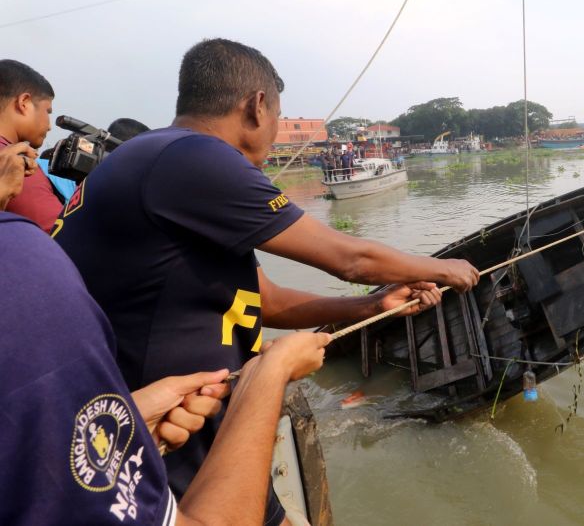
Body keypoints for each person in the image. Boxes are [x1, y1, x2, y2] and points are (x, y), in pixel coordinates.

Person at [55, 38, 479, 525]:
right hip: (162, 446)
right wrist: (444, 268)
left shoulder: (164, 164)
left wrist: (368, 307)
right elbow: (351, 258)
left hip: (195, 433)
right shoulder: (194, 158)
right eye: (279, 118)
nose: (276, 135)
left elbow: (266, 300)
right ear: (257, 106)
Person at [0, 209, 331, 525]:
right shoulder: (19, 261)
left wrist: (129, 425)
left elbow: (40, 465)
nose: (27, 158)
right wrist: (271, 375)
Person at [0, 59, 60, 232]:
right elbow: (62, 236)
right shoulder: (15, 164)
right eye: (47, 111)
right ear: (24, 103)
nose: (49, 126)